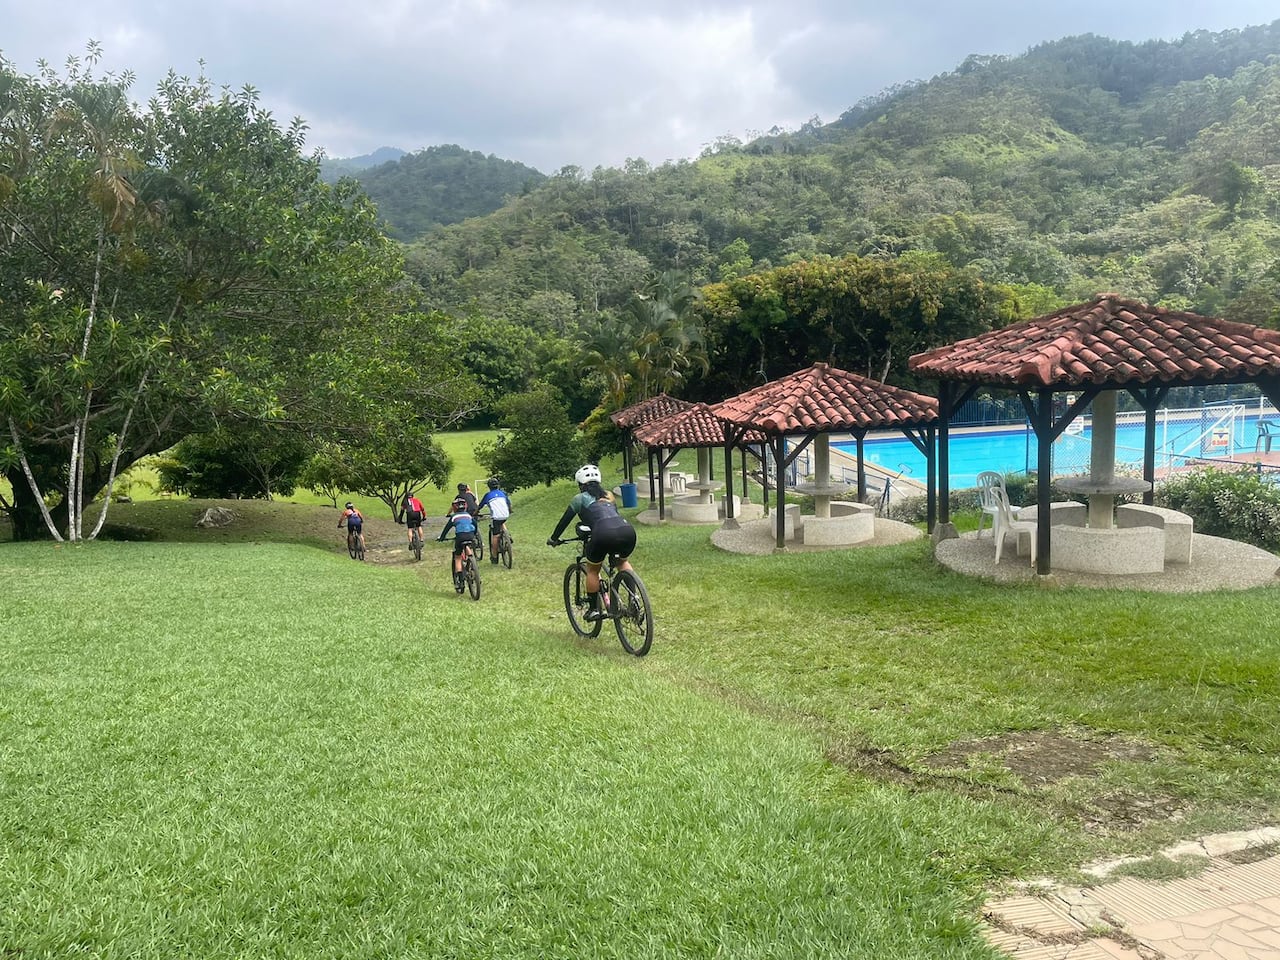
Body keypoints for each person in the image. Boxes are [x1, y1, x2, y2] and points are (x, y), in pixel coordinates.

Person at [547, 464, 636, 620]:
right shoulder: (609, 495)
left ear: (581, 484)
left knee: (593, 570)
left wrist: (554, 538)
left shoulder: (579, 499)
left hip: (602, 534)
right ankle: (634, 599)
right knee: (622, 562)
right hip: (626, 530)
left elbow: (564, 521)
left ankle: (594, 609)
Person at [436, 496, 479, 591]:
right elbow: (475, 525)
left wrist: (442, 538)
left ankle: (460, 580)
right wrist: (474, 534)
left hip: (460, 537)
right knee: (468, 547)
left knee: (458, 557)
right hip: (470, 535)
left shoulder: (453, 517)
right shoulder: (468, 516)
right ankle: (472, 563)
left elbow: (446, 529)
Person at [477, 476, 512, 565]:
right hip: (505, 515)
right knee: (502, 522)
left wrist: (475, 513)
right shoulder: (503, 493)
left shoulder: (487, 495)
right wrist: (510, 510)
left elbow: (480, 506)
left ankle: (494, 556)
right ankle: (508, 535)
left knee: (495, 536)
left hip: (496, 517)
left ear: (489, 487)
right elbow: (508, 503)